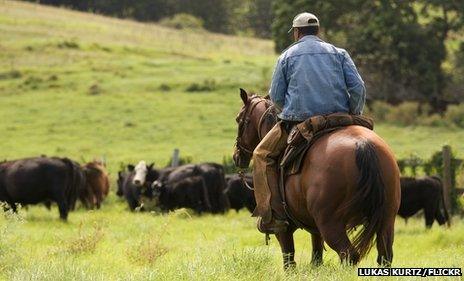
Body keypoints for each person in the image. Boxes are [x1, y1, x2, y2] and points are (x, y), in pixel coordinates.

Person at [252, 12, 366, 234]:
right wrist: (353, 113)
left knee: (261, 155)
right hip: (339, 119)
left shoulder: (287, 56)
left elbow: (275, 97)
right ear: (318, 31)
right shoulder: (339, 53)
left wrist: (288, 112)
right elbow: (358, 87)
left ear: (296, 32)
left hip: (299, 121)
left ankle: (272, 215)